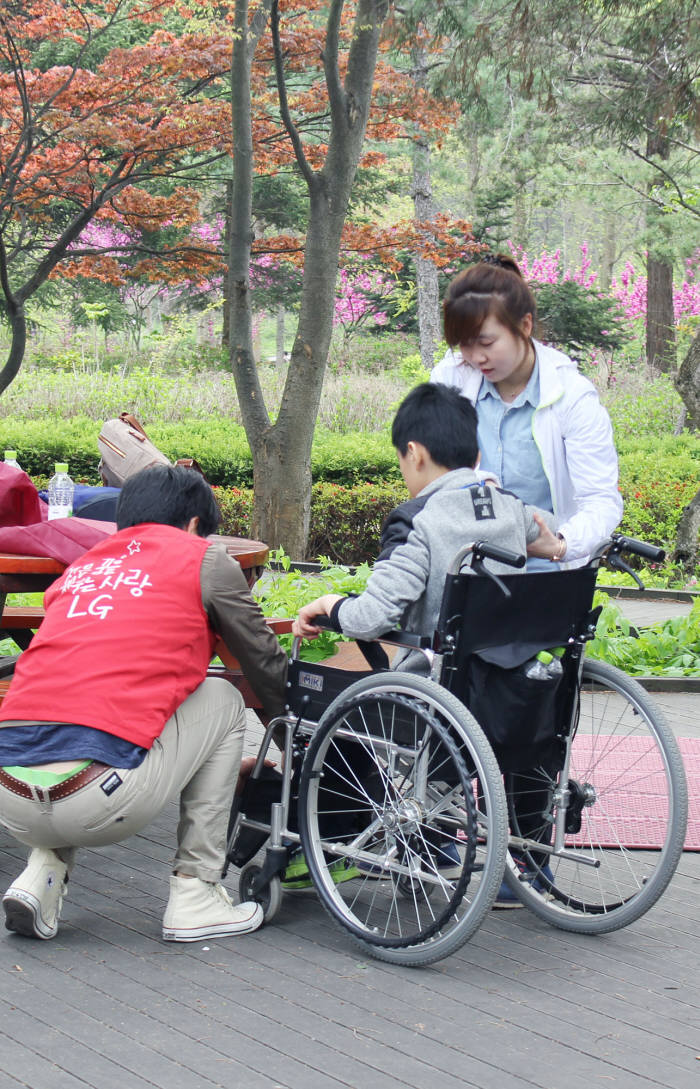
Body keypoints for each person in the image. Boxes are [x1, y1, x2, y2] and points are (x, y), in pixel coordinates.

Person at [0, 465, 288, 943]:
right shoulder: (203, 558)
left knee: (74, 704)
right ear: (196, 524)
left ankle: (41, 875)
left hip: (8, 794)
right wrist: (296, 723)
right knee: (223, 695)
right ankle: (195, 894)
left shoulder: (85, 566)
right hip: (95, 798)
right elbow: (261, 658)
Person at [293, 381, 560, 659]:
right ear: (477, 457)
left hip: (430, 687)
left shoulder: (414, 521)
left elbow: (370, 619)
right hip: (506, 683)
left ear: (414, 453)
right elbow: (550, 527)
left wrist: (329, 603)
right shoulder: (510, 506)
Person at [431, 253, 623, 569]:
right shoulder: (450, 379)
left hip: (547, 572)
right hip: (467, 568)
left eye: (487, 342)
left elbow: (601, 500)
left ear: (525, 325)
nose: (476, 357)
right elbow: (434, 473)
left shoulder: (572, 397)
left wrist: (560, 544)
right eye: (464, 345)